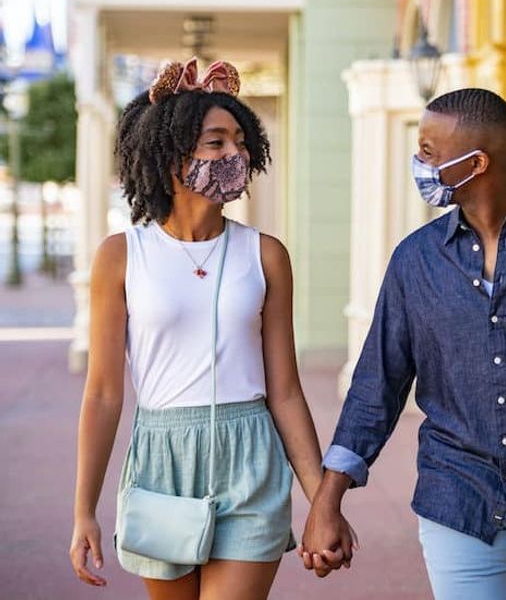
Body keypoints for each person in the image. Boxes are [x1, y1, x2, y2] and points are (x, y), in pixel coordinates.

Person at [301, 88, 506, 599]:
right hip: (456, 496)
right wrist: (329, 497)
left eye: (430, 153)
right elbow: (377, 383)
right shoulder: (416, 261)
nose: (420, 164)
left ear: (476, 162)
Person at [69, 58, 324, 600]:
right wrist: (83, 511)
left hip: (251, 456)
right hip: (162, 459)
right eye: (216, 142)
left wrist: (322, 501)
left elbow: (286, 391)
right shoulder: (120, 256)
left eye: (239, 139)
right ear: (171, 155)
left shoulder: (266, 255)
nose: (236, 153)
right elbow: (103, 394)